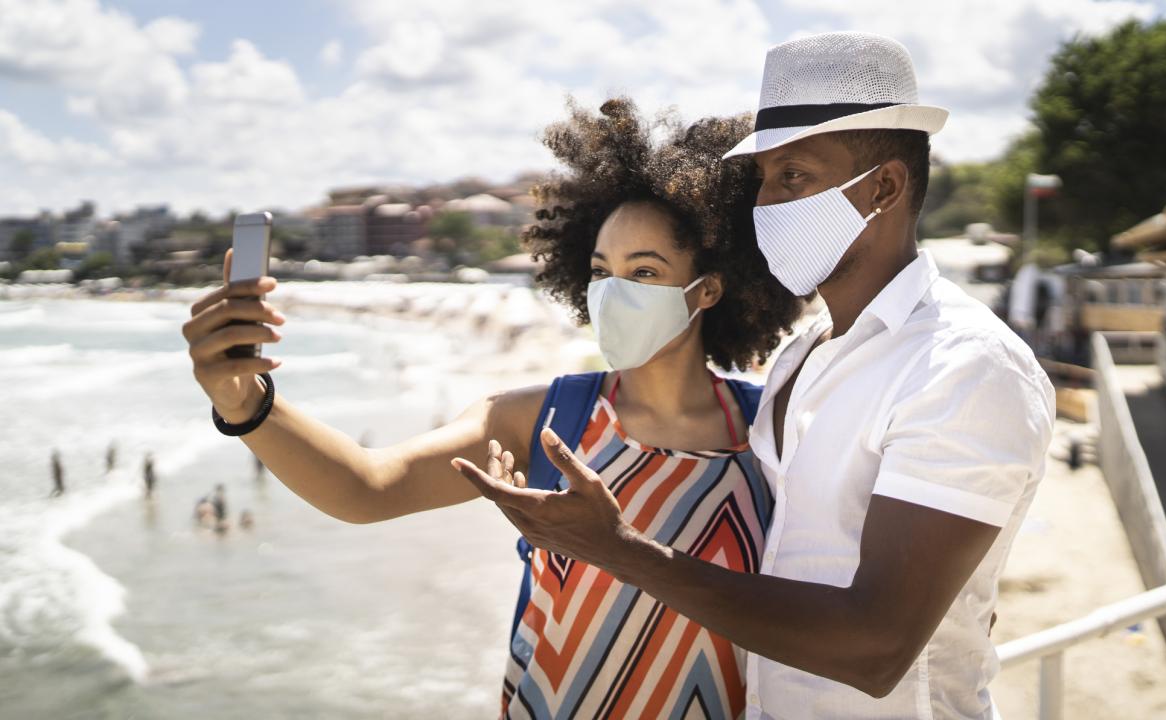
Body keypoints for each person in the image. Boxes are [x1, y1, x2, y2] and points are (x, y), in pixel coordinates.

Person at [455, 33, 1055, 719]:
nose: (766, 203)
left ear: (885, 186)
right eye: (763, 179)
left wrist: (619, 550)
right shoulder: (802, 360)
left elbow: (876, 646)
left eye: (793, 176)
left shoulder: (964, 366)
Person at [180, 98, 802, 717]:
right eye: (599, 271)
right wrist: (248, 405)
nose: (613, 294)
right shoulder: (541, 420)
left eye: (643, 273)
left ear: (711, 288)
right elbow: (366, 486)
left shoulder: (771, 428)